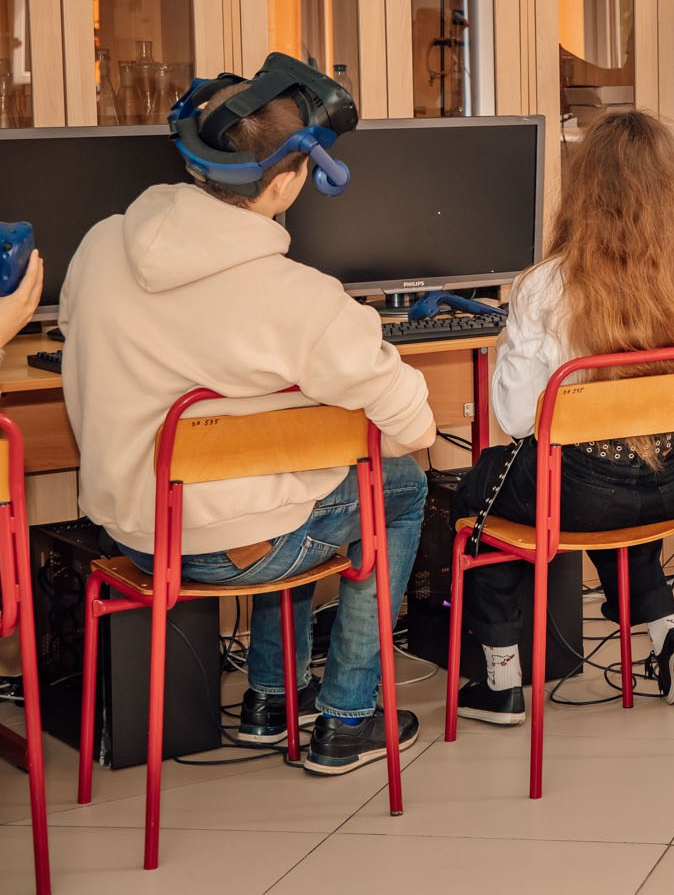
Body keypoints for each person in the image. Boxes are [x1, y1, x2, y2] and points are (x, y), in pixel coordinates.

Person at [62, 55, 433, 775]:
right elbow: (415, 427)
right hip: (235, 546)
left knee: (291, 489)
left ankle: (271, 698)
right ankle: (349, 717)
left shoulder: (102, 241)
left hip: (136, 534)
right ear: (290, 179)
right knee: (399, 488)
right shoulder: (301, 299)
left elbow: (86, 338)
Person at [453, 111, 674, 722]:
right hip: (673, 489)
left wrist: (511, 342)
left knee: (479, 490)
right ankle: (668, 634)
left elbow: (516, 418)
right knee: (615, 481)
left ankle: (501, 681)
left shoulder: (545, 286)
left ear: (583, 189)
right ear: (673, 189)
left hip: (583, 494)